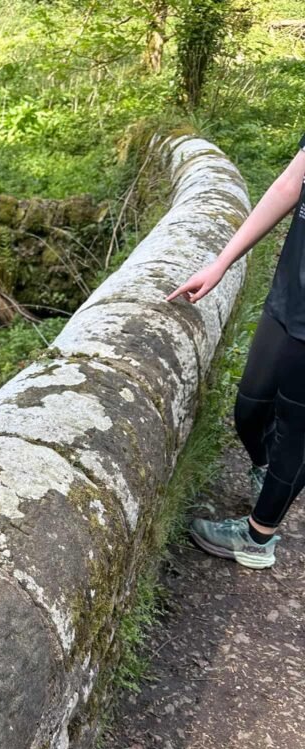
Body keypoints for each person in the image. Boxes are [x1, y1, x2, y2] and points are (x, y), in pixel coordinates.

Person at [167, 131, 305, 569]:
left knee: (298, 430)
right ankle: (272, 477)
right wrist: (221, 261)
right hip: (289, 294)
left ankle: (257, 536)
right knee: (251, 406)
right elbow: (289, 184)